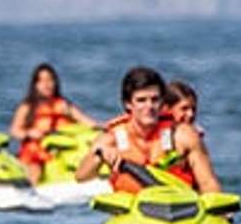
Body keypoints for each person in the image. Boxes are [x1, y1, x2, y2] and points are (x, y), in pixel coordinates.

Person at [76, 66, 222, 194]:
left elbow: (208, 184)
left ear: (162, 102)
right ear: (128, 104)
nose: (149, 106)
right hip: (134, 213)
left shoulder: (183, 135)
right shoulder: (111, 139)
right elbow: (81, 176)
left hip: (179, 211)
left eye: (155, 99)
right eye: (141, 100)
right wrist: (100, 155)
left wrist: (222, 216)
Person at [8, 62, 95, 185]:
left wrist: (106, 128)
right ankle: (30, 189)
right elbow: (14, 130)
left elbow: (86, 121)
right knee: (35, 169)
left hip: (60, 150)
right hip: (35, 151)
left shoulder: (63, 105)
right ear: (35, 85)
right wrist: (29, 133)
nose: (46, 85)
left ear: (55, 83)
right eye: (42, 81)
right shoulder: (27, 106)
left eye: (50, 80)